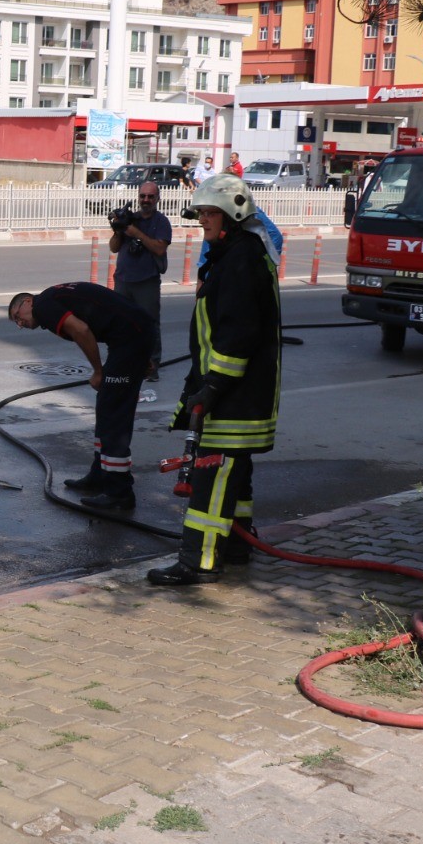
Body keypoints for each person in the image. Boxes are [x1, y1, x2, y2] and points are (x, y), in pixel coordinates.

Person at [150, 173, 282, 586]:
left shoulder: (241, 260)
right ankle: (238, 545)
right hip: (239, 394)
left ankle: (199, 561)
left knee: (211, 477)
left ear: (232, 214)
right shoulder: (237, 254)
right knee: (236, 476)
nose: (202, 220)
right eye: (201, 212)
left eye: (209, 213)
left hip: (234, 397)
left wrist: (213, 387)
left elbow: (236, 333)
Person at [8, 283, 154, 510]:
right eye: (16, 323)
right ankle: (99, 476)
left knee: (113, 412)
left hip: (130, 336)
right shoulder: (52, 298)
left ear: (28, 301)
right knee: (106, 405)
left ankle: (119, 492)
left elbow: (81, 330)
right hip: (131, 335)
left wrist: (98, 371)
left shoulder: (43, 305)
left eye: (17, 315)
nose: (20, 323)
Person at [108, 181, 173, 381]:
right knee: (120, 324)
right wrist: (119, 228)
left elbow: (160, 249)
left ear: (157, 199)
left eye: (150, 197)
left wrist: (136, 233)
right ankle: (120, 363)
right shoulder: (130, 218)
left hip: (147, 282)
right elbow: (113, 247)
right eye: (143, 196)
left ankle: (151, 367)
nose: (146, 200)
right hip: (123, 281)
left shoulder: (161, 222)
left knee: (149, 325)